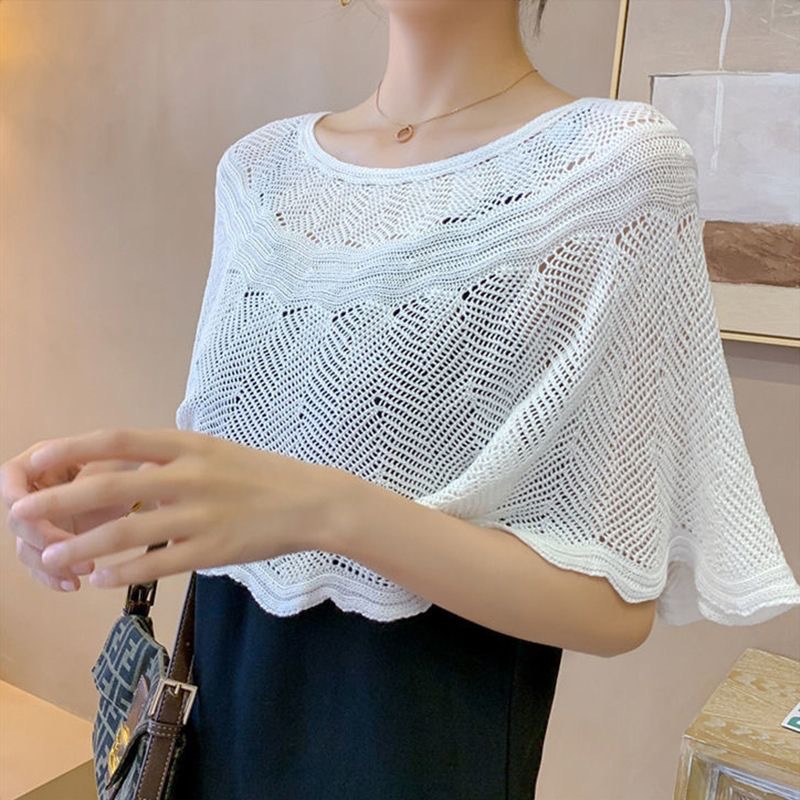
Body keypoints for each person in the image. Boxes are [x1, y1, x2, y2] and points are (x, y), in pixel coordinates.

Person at [4, 1, 800, 798]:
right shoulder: (258, 171)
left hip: (413, 740)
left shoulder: (612, 166)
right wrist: (125, 509)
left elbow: (612, 602)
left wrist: (325, 509)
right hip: (221, 714)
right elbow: (259, 469)